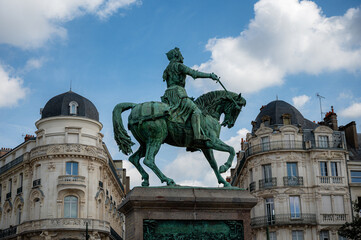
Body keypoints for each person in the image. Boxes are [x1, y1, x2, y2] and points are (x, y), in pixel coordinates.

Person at [161, 47, 219, 142]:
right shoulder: (179, 66)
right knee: (196, 111)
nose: (182, 58)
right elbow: (194, 74)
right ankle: (197, 136)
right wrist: (210, 76)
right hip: (178, 93)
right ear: (177, 56)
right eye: (181, 55)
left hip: (168, 95)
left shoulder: (167, 69)